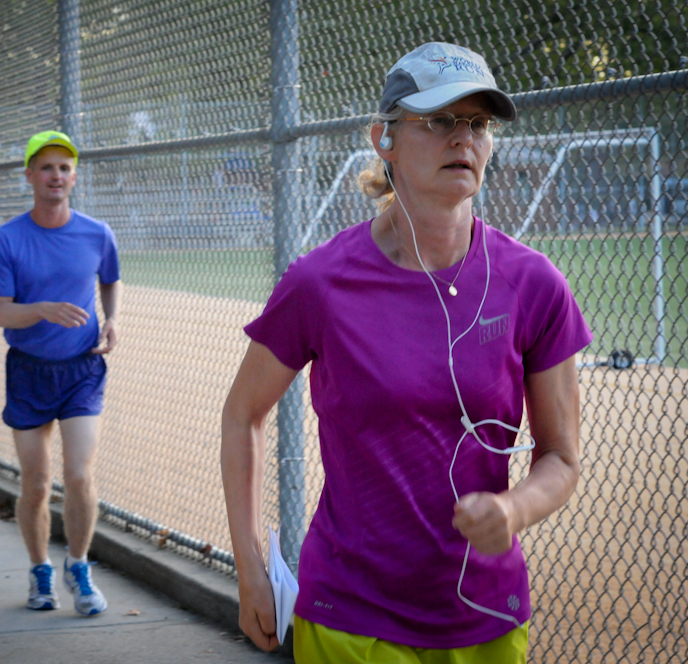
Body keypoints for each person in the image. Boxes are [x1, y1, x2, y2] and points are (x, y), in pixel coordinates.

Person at [221, 42, 591, 663]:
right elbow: (242, 414)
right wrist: (251, 566)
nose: (463, 138)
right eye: (440, 120)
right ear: (384, 139)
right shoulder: (320, 283)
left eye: (478, 123)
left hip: (485, 615)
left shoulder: (534, 284)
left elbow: (561, 456)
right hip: (350, 617)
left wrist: (512, 508)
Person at [0, 131, 121, 616]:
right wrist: (42, 309)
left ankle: (79, 566)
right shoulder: (8, 238)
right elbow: (1, 313)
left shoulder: (97, 233)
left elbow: (110, 279)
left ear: (74, 176)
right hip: (28, 371)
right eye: (46, 167)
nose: (56, 176)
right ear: (29, 176)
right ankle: (40, 569)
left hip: (82, 369)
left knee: (79, 475)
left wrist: (112, 319)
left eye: (64, 167)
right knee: (37, 483)